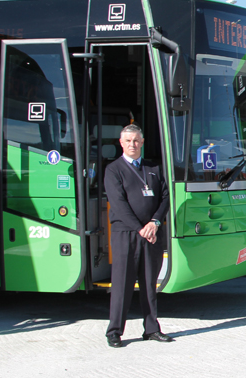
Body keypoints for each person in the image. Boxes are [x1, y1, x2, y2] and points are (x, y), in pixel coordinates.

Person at [104, 124, 173, 348]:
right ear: (121, 143)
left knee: (149, 283)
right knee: (122, 284)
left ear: (142, 143)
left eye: (136, 140)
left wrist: (154, 222)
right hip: (126, 234)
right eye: (128, 141)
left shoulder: (153, 168)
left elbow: (165, 197)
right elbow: (119, 204)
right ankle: (114, 331)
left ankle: (151, 329)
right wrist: (140, 228)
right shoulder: (114, 170)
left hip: (152, 234)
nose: (132, 144)